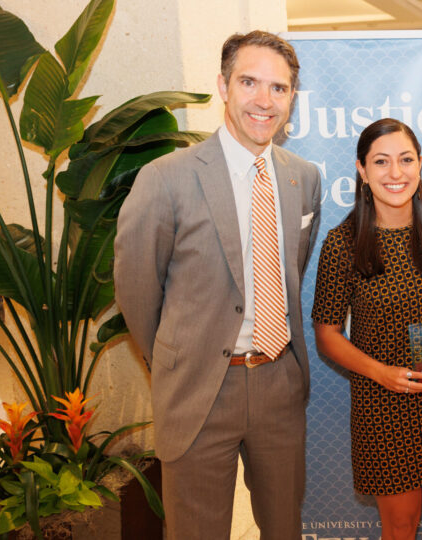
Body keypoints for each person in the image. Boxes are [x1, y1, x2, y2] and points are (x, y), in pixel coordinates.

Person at [114, 31, 321, 538]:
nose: (264, 100)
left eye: (279, 88)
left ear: (292, 98)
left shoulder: (304, 177)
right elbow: (138, 291)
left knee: (284, 529)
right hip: (200, 389)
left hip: (279, 383)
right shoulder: (166, 178)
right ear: (223, 86)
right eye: (249, 82)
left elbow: (293, 262)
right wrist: (176, 358)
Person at [312, 118, 422, 540]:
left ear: (421, 164)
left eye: (406, 159)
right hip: (382, 404)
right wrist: (381, 373)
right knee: (400, 525)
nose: (396, 173)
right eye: (381, 162)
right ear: (362, 170)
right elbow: (327, 333)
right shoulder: (342, 243)